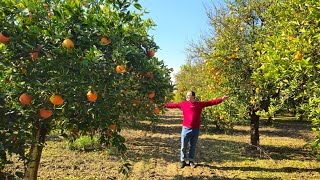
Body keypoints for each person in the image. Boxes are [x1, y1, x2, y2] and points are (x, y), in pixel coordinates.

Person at [164, 91, 229, 168]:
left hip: (195, 129)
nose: (187, 97)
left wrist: (221, 99)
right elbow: (173, 105)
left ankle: (191, 161)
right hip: (185, 128)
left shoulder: (199, 104)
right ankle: (183, 161)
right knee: (183, 146)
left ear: (193, 96)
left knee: (193, 146)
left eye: (188, 96)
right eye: (187, 96)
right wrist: (163, 105)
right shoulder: (183, 104)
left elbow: (211, 102)